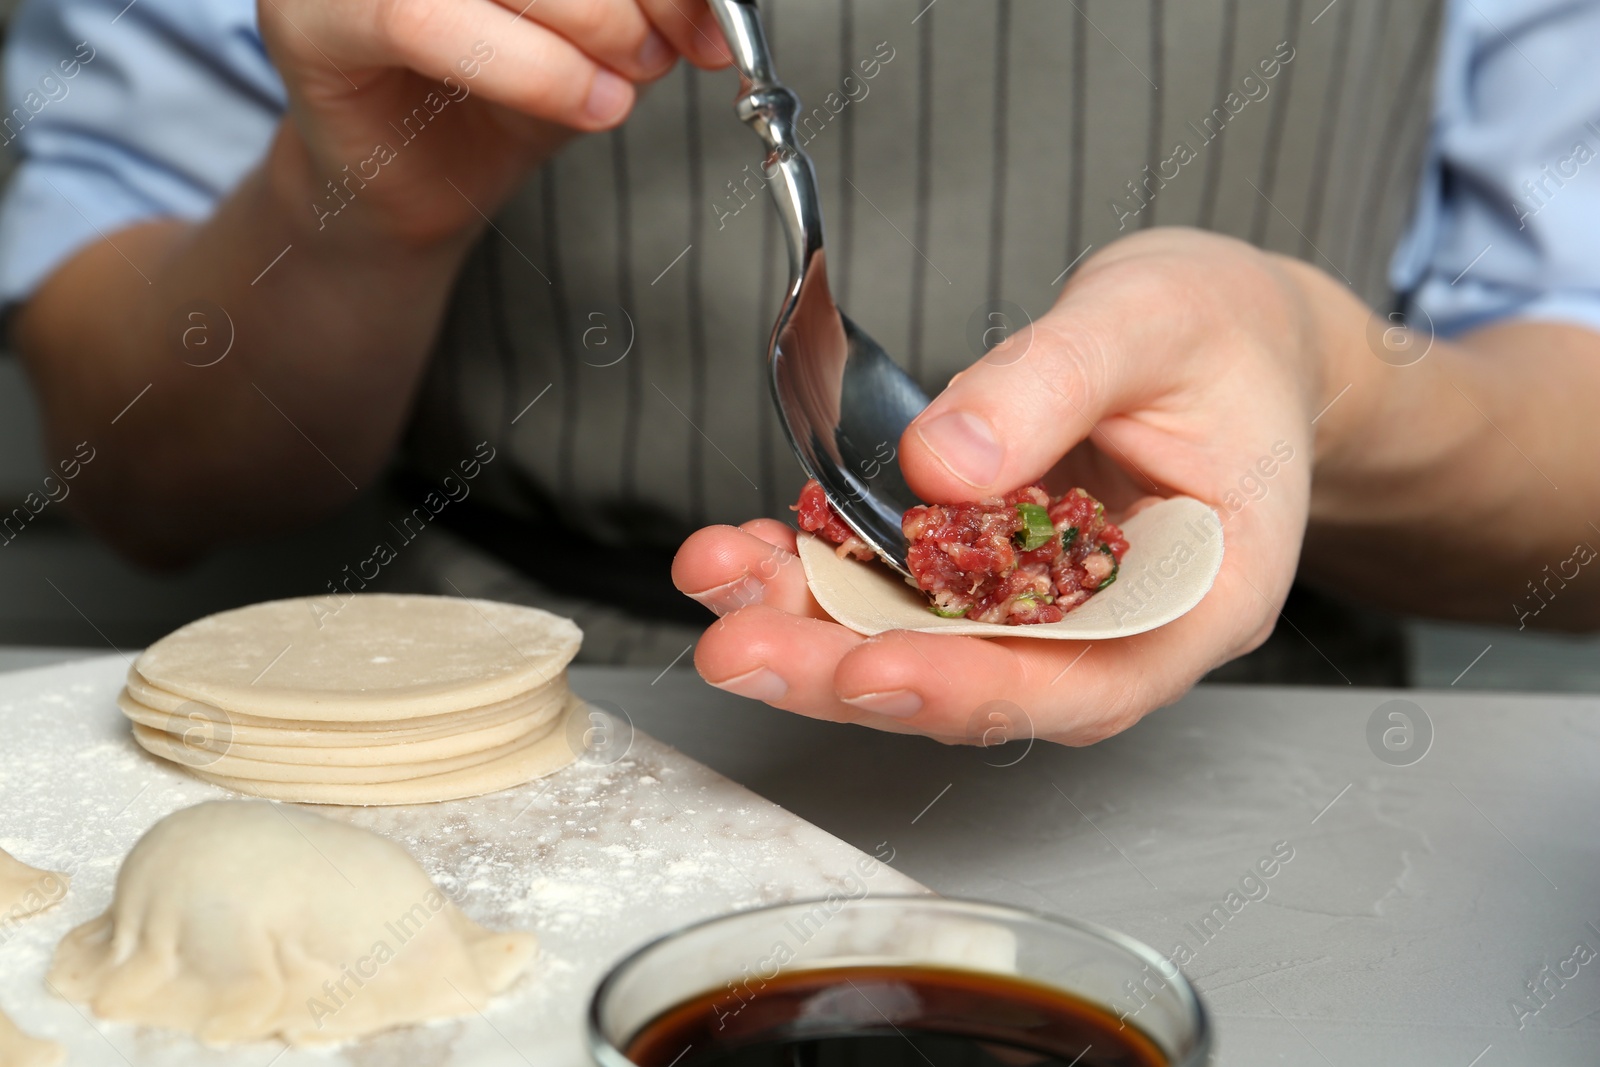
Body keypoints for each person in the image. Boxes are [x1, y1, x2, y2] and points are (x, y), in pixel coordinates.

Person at [3, 0, 1598, 747]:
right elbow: (139, 471)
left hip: (1277, 769)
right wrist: (358, 193)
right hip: (488, 732)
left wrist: (1322, 373)